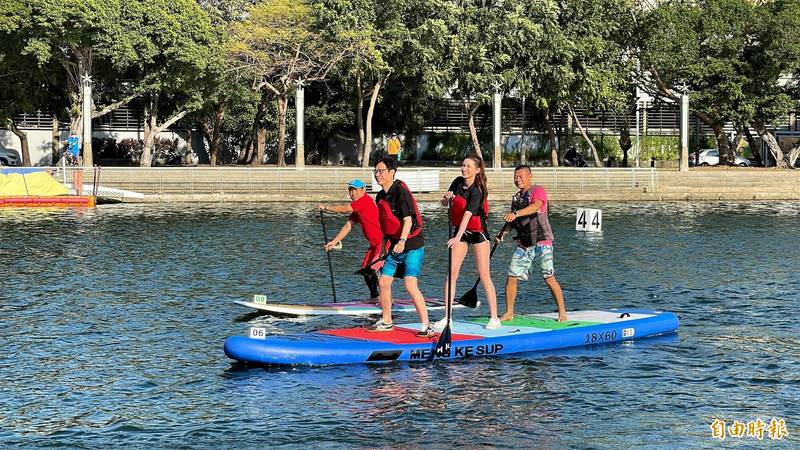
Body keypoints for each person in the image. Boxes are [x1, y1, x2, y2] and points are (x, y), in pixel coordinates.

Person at [369, 156, 432, 336]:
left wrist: (402, 241)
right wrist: (381, 249)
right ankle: (387, 321)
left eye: (381, 171)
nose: (377, 174)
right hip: (394, 246)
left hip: (411, 245)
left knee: (410, 284)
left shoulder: (400, 191)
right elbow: (385, 226)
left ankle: (426, 325)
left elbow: (407, 220)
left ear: (392, 172)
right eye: (376, 171)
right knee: (383, 281)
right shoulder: (380, 196)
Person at [496, 165, 567, 322]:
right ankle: (509, 313)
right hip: (524, 243)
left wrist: (515, 213)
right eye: (515, 177)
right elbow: (512, 222)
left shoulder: (537, 190)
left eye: (521, 176)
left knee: (549, 277)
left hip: (543, 242)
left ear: (530, 176)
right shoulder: (516, 199)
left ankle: (562, 312)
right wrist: (502, 234)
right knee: (511, 276)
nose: (518, 179)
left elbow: (536, 206)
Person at [437, 155, 501, 330]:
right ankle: (447, 317)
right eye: (463, 165)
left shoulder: (477, 190)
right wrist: (446, 198)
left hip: (478, 233)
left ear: (477, 170)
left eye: (468, 166)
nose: (464, 169)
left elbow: (467, 215)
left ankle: (495, 317)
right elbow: (444, 204)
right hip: (461, 232)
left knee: (484, 274)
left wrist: (457, 237)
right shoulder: (457, 182)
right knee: (451, 273)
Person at [318, 179, 385, 301]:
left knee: (375, 269)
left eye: (355, 190)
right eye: (351, 190)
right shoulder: (358, 208)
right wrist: (333, 242)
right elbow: (348, 226)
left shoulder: (364, 200)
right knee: (366, 270)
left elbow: (344, 209)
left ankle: (387, 299)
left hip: (383, 242)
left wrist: (326, 207)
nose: (353, 193)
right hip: (374, 245)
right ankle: (375, 298)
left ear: (363, 190)